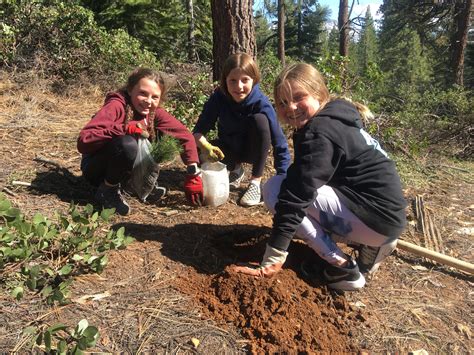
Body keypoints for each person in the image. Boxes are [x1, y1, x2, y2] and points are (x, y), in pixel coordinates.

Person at [234, 63, 407, 291]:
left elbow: (295, 198)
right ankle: (370, 244)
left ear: (318, 93)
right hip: (387, 217)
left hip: (376, 218)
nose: (291, 107)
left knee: (275, 189)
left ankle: (343, 269)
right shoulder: (336, 116)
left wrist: (273, 256)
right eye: (283, 102)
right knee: (293, 192)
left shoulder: (319, 132)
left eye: (298, 97)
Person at [77, 67, 203, 215]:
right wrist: (124, 129)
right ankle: (107, 190)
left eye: (155, 97)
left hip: (121, 168)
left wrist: (193, 172)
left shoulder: (153, 114)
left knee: (163, 139)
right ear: (130, 90)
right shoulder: (117, 106)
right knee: (128, 145)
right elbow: (84, 141)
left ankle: (135, 184)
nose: (148, 101)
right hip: (96, 168)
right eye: (143, 93)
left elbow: (184, 135)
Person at [193, 53, 291, 206]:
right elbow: (198, 131)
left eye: (245, 80)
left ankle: (255, 183)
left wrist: (283, 179)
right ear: (225, 80)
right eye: (233, 80)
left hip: (253, 150)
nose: (239, 87)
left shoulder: (261, 103)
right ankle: (236, 170)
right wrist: (206, 146)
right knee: (196, 152)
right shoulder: (219, 97)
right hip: (229, 148)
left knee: (260, 120)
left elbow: (280, 144)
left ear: (254, 80)